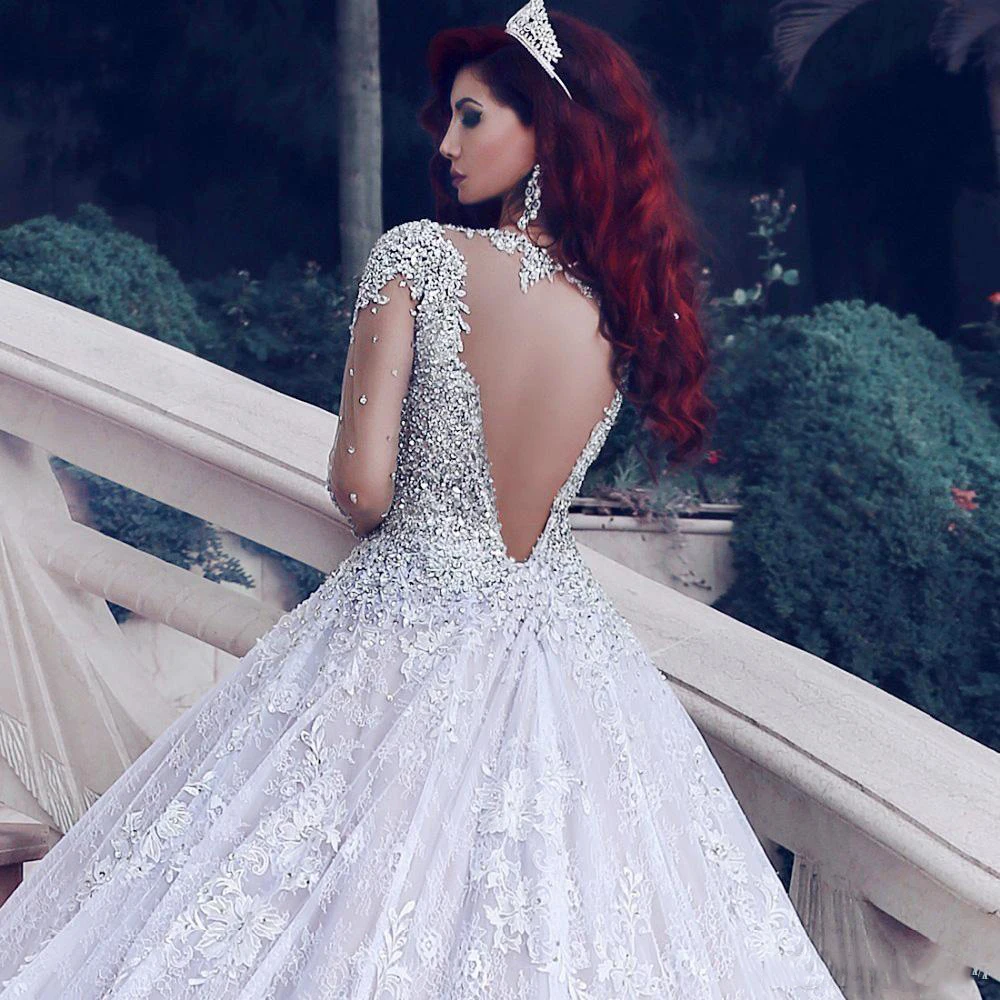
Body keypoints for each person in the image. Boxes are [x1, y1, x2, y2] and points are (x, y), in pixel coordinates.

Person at [0, 2, 850, 997]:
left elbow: (360, 489)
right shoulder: (623, 303)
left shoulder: (418, 256)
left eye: (471, 116)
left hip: (407, 615)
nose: (446, 144)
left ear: (546, 127)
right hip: (562, 641)